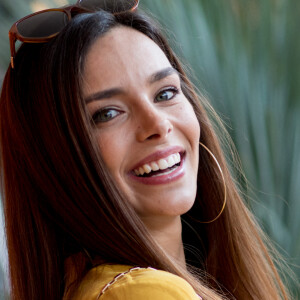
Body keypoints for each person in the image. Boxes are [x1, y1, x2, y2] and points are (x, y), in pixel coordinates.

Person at [0, 0, 290, 299]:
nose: (158, 124)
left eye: (165, 93)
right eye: (107, 114)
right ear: (53, 160)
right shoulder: (141, 292)